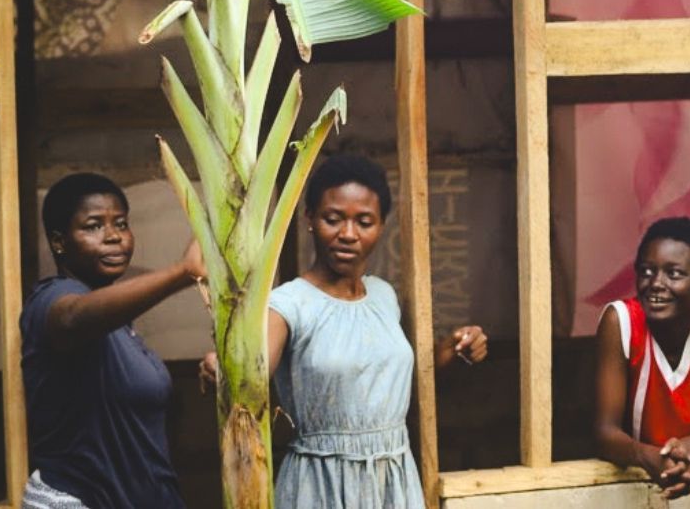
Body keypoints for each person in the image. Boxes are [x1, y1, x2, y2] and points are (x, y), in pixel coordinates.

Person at [202, 153, 488, 508]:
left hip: (392, 477)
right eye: (333, 219)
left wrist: (458, 347)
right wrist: (225, 366)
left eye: (364, 221)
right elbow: (253, 372)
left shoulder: (383, 295)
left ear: (381, 225)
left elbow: (398, 378)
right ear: (310, 220)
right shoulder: (288, 304)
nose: (348, 234)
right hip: (322, 484)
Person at [20, 172, 207, 509]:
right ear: (59, 241)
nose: (113, 237)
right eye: (93, 226)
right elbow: (74, 317)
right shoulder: (51, 299)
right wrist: (183, 271)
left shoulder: (120, 323)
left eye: (120, 224)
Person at [594, 216, 690, 500]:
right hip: (630, 482)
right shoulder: (621, 322)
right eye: (647, 271)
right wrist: (649, 457)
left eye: (674, 274)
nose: (656, 283)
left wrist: (689, 449)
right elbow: (606, 432)